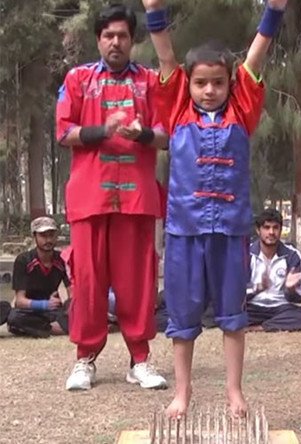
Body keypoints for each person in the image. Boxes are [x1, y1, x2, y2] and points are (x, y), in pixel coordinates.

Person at [144, 0, 287, 417]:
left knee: (232, 315)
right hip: (185, 231)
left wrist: (273, 12)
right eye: (202, 83)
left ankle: (234, 392)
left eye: (218, 83)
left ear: (230, 85)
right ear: (188, 84)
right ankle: (183, 393)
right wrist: (154, 11)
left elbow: (256, 54)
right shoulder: (175, 110)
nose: (210, 90)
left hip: (230, 230)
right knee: (183, 317)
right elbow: (166, 56)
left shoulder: (243, 111)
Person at [56, 3, 168, 391]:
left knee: (138, 280)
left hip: (136, 197)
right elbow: (64, 132)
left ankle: (140, 359)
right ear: (98, 40)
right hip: (88, 198)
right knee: (87, 280)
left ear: (132, 39)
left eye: (122, 35)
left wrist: (141, 135)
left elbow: (167, 135)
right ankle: (84, 359)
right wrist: (102, 130)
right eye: (108, 35)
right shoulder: (77, 79)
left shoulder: (151, 82)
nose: (115, 42)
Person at [246, 209, 301, 332]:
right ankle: (277, 324)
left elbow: (300, 298)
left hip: (281, 308)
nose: (271, 232)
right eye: (266, 227)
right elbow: (237, 295)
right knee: (227, 313)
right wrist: (257, 288)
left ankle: (260, 327)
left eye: (275, 228)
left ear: (280, 230)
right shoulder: (246, 254)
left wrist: (290, 289)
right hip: (253, 307)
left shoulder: (292, 255)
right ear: (258, 230)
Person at [6, 217, 72, 338]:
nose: (48, 240)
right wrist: (44, 304)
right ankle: (52, 328)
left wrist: (70, 306)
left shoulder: (62, 259)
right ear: (34, 236)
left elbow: (72, 292)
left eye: (51, 235)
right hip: (30, 310)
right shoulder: (24, 260)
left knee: (79, 312)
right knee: (14, 317)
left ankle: (35, 328)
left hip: (55, 310)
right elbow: (20, 301)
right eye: (43, 235)